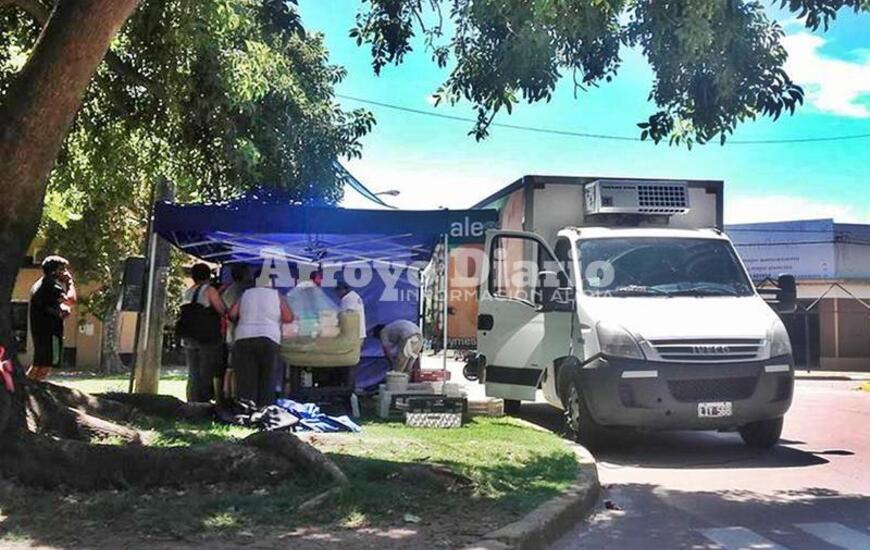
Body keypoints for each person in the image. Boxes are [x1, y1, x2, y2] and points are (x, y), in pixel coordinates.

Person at [229, 283, 293, 407]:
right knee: (267, 378)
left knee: (246, 379)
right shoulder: (277, 295)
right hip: (269, 337)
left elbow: (232, 313)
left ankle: (246, 410)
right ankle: (265, 411)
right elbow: (288, 317)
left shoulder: (245, 293)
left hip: (243, 337)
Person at [182, 263, 226, 402]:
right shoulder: (209, 290)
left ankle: (192, 401)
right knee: (206, 371)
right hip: (206, 337)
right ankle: (204, 403)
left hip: (189, 336)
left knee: (193, 373)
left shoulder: (188, 291)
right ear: (208, 276)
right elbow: (222, 309)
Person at [28, 256, 76, 381]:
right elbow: (71, 300)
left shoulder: (41, 284)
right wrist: (70, 282)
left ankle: (26, 390)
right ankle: (29, 392)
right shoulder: (52, 286)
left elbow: (48, 305)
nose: (65, 272)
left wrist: (61, 310)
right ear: (55, 271)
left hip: (41, 331)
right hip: (49, 332)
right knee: (44, 367)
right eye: (63, 269)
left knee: (39, 364)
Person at [220, 264, 254, 400]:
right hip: (243, 332)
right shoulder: (246, 290)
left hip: (230, 333)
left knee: (230, 366)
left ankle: (226, 394)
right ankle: (236, 397)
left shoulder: (228, 290)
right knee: (240, 368)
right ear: (245, 274)